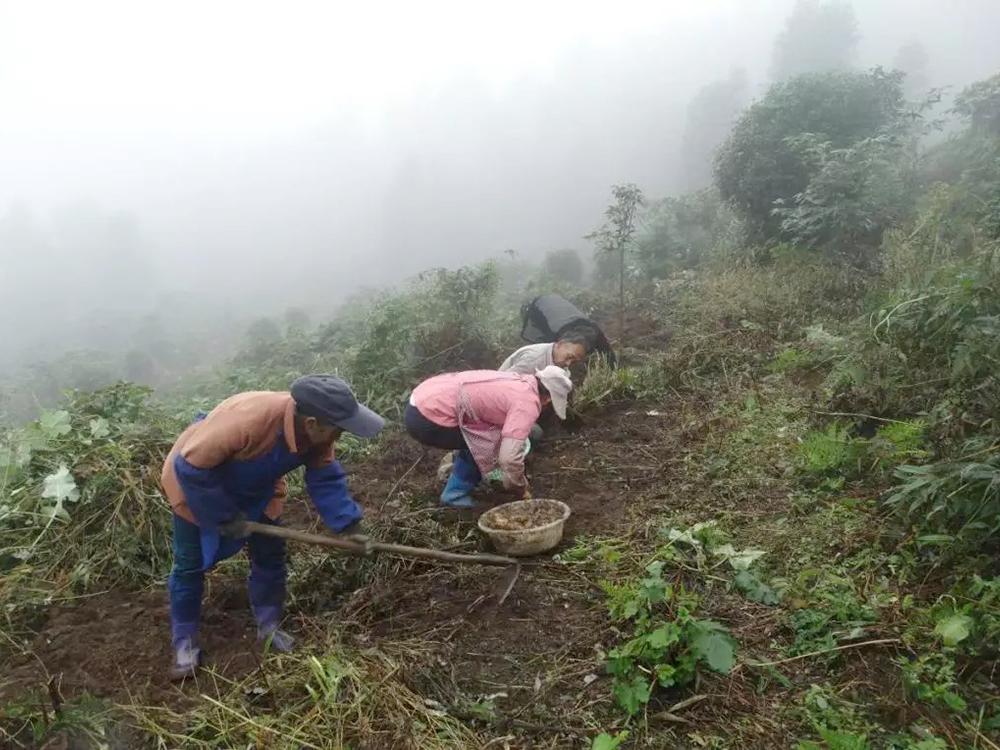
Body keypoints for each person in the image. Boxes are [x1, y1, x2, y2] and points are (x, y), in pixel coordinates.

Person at [160, 374, 384, 680]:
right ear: (312, 424)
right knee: (189, 564)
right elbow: (190, 466)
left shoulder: (319, 434)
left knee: (270, 555)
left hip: (257, 488)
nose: (339, 437)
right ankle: (184, 642)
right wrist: (224, 516)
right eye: (338, 430)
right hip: (196, 485)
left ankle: (269, 626)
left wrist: (350, 526)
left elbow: (326, 478)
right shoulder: (250, 421)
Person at [405, 366, 572, 508]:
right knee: (480, 447)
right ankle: (454, 495)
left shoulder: (521, 380)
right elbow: (508, 459)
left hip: (422, 396)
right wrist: (519, 486)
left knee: (487, 441)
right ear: (549, 398)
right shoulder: (527, 403)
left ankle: (462, 471)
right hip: (427, 416)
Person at [499, 330, 590, 375]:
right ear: (560, 344)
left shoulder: (558, 361)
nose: (568, 363)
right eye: (569, 357)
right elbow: (504, 382)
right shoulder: (533, 359)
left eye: (574, 362)